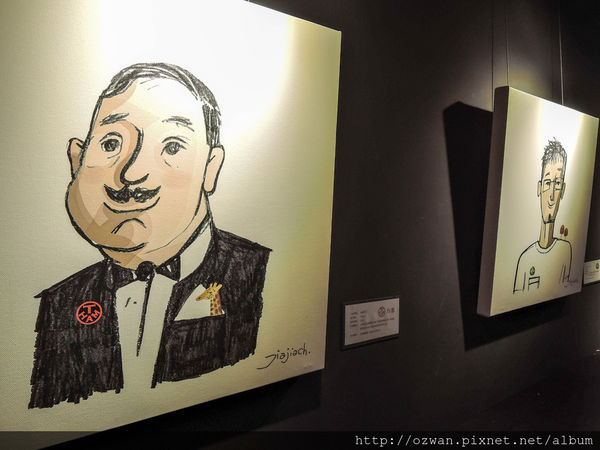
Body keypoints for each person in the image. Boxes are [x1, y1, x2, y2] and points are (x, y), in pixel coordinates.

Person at [29, 63, 270, 408]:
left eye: (171, 147)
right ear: (77, 160)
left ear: (210, 168)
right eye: (111, 143)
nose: (132, 173)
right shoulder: (57, 305)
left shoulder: (260, 275)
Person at [513, 139, 571, 293]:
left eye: (557, 184)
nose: (551, 196)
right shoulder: (525, 260)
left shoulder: (565, 250)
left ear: (563, 190)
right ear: (539, 188)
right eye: (547, 183)